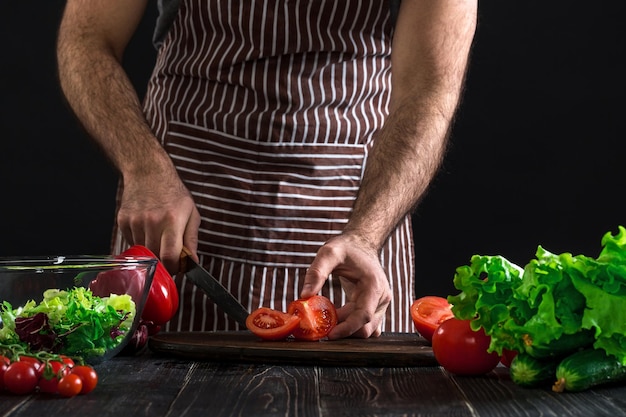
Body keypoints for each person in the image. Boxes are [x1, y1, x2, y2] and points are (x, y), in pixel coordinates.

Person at [56, 0, 477, 339]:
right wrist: (143, 168)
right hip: (180, 195)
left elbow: (429, 91)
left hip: (356, 201)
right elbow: (87, 38)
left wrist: (368, 233)